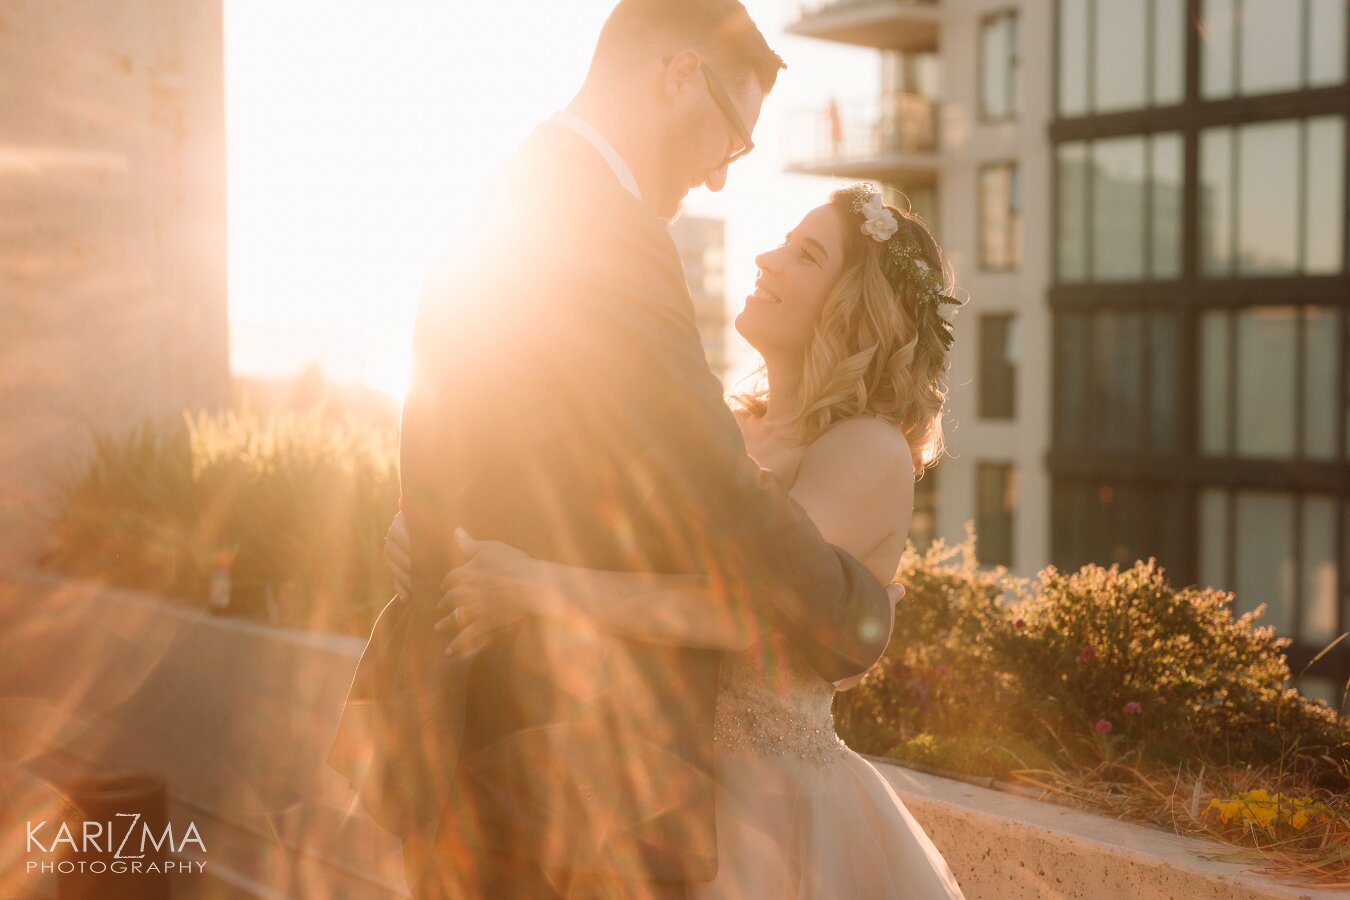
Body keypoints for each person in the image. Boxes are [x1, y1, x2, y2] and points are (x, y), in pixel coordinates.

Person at [324, 2, 893, 897]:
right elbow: (713, 476)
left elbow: (457, 413)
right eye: (733, 139)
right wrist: (848, 609)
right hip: (553, 770)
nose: (717, 178)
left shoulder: (518, 190)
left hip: (475, 751)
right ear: (676, 78)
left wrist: (424, 520)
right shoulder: (607, 228)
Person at [388, 183, 968, 898]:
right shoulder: (725, 427)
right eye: (783, 243)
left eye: (806, 255)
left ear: (857, 307)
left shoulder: (869, 449)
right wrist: (438, 536)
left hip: (768, 818)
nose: (767, 259)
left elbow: (745, 610)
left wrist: (534, 588)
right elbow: (597, 532)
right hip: (644, 782)